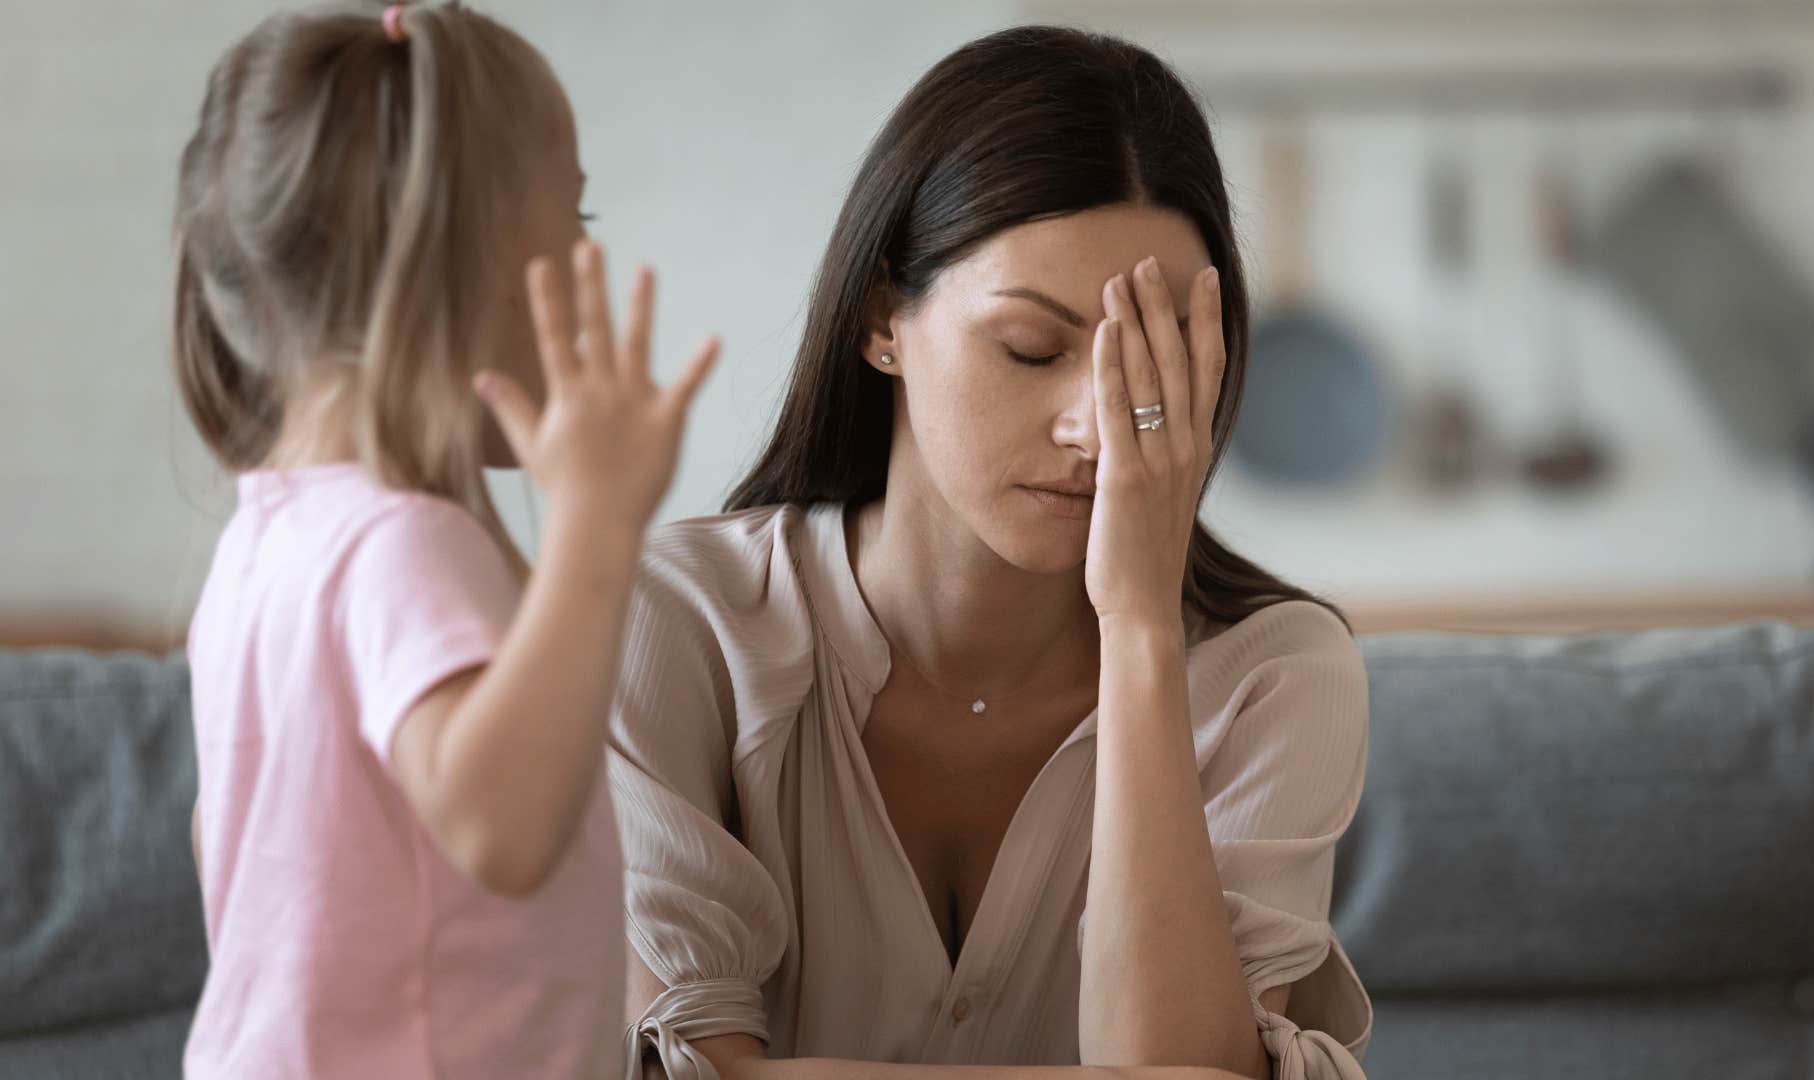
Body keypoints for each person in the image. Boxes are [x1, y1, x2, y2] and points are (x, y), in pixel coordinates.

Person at [608, 25, 1371, 1080]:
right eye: (1032, 349)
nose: (1096, 427)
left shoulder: (1279, 673)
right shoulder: (674, 623)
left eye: (1151, 362)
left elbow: (1177, 1063)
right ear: (884, 319)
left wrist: (1141, 629)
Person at [173, 3, 716, 1075]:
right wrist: (596, 528)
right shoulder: (401, 546)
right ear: (463, 256)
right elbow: (504, 828)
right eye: (575, 216)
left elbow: (224, 839)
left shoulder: (267, 541)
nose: (585, 256)